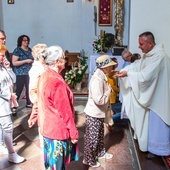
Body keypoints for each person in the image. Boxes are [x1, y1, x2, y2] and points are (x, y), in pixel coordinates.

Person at [118, 31, 170, 158]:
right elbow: (138, 66)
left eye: (141, 44)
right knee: (150, 123)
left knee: (158, 123)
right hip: (153, 95)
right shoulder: (149, 55)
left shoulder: (159, 57)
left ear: (151, 43)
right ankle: (151, 146)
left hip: (158, 97)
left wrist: (128, 74)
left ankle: (160, 150)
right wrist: (126, 70)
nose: (139, 47)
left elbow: (145, 76)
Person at [36, 45, 79, 169]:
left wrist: (34, 116)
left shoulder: (44, 76)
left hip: (47, 127)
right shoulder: (56, 81)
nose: (65, 61)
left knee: (52, 165)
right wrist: (74, 132)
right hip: (56, 130)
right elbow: (65, 111)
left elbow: (38, 101)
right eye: (64, 58)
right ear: (57, 62)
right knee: (57, 166)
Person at [83, 55, 117, 168]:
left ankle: (100, 153)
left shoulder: (102, 75)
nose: (111, 68)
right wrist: (108, 91)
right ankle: (89, 160)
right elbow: (99, 100)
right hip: (94, 113)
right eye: (110, 66)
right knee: (92, 139)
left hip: (99, 112)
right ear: (105, 67)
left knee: (99, 135)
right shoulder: (97, 79)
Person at [0, 44, 25, 163]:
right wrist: (8, 95)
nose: (3, 57)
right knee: (8, 127)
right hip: (1, 103)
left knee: (4, 127)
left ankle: (2, 146)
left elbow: (13, 79)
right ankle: (12, 154)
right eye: (1, 55)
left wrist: (8, 68)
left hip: (5, 102)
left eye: (3, 55)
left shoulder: (2, 67)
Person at [28, 43, 48, 148]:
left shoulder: (43, 66)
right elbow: (33, 89)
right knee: (43, 122)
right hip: (41, 100)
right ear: (40, 56)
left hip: (46, 99)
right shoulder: (36, 69)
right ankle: (43, 144)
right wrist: (38, 102)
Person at [12, 35, 34, 111]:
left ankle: (29, 102)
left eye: (27, 40)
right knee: (19, 89)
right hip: (20, 73)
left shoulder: (30, 50)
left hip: (29, 72)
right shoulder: (17, 50)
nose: (26, 42)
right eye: (24, 40)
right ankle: (14, 105)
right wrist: (26, 61)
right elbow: (14, 63)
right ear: (20, 41)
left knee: (29, 88)